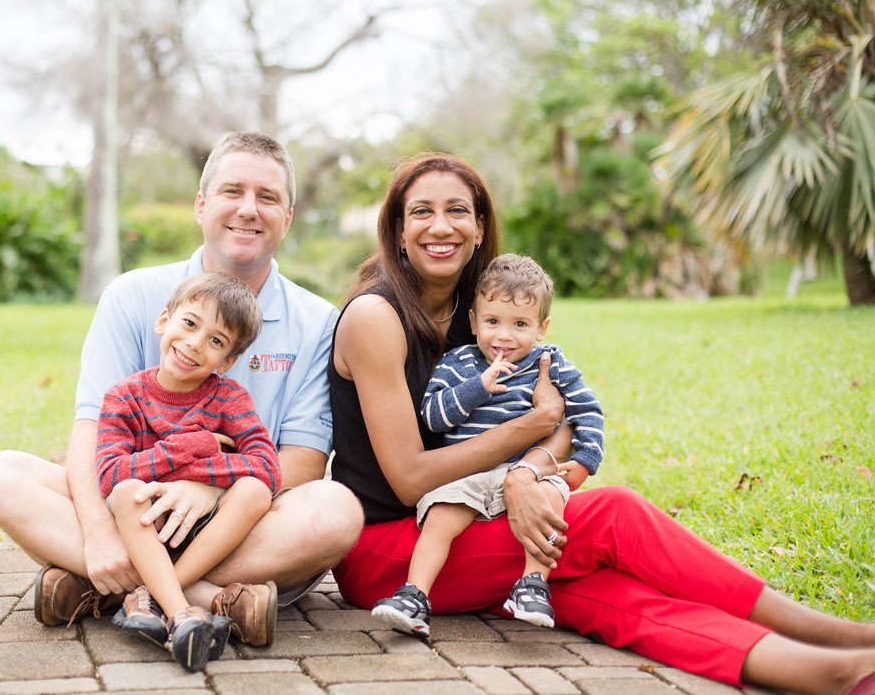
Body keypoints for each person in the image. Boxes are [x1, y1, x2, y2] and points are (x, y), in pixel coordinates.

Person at [328, 151, 875, 695]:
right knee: (613, 515)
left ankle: (829, 671)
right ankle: (835, 633)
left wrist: (531, 471)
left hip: (475, 522)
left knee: (605, 593)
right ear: (397, 232)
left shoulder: (485, 315)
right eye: (421, 212)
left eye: (457, 211)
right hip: (393, 552)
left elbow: (560, 414)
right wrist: (529, 433)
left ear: (479, 229)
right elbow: (409, 476)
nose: (440, 225)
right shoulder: (377, 317)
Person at [0, 131, 363, 650]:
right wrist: (98, 532)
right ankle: (212, 599)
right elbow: (91, 428)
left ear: (287, 218)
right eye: (232, 192)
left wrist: (208, 489)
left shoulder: (319, 322)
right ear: (201, 205)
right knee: (1, 475)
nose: (249, 209)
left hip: (243, 518)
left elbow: (304, 462)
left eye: (268, 197)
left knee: (336, 510)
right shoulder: (132, 295)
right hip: (131, 501)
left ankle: (116, 590)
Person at [370, 252, 603, 637]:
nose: (504, 336)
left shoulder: (551, 362)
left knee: (549, 502)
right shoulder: (458, 363)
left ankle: (532, 585)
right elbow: (433, 416)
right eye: (493, 322)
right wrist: (480, 387)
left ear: (541, 328)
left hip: (526, 472)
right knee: (441, 516)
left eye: (520, 325)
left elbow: (587, 409)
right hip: (470, 474)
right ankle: (414, 595)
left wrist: (586, 458)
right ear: (474, 322)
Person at [98, 273, 280, 671]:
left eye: (216, 341)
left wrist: (198, 478)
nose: (195, 344)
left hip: (205, 532)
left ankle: (152, 595)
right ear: (164, 320)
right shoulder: (123, 396)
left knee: (254, 491)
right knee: (128, 489)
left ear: (228, 360)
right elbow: (110, 474)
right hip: (144, 527)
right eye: (190, 324)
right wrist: (195, 444)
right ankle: (183, 614)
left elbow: (267, 466)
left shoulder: (230, 398)